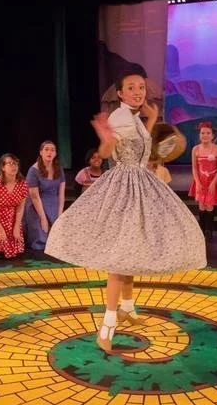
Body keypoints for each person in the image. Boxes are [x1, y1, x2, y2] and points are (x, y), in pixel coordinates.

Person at [45, 69, 206, 351]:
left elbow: (144, 150)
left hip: (140, 183)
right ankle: (106, 327)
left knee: (132, 248)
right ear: (120, 93)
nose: (138, 92)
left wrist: (152, 118)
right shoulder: (120, 117)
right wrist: (106, 138)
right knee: (120, 257)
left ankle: (127, 307)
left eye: (141, 87)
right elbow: (108, 152)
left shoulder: (133, 118)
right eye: (131, 88)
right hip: (125, 186)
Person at [188, 121, 217, 241]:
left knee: (209, 205)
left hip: (213, 180)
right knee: (201, 204)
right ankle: (201, 231)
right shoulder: (195, 149)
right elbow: (194, 168)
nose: (205, 135)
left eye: (208, 133)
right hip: (200, 180)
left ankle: (209, 231)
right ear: (199, 135)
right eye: (203, 133)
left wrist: (213, 183)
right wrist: (197, 182)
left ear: (212, 135)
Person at [24, 140, 66, 251]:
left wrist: (60, 215)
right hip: (37, 206)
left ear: (55, 153)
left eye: (52, 150)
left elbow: (61, 194)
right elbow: (34, 197)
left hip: (54, 204)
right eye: (46, 149)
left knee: (59, 239)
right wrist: (43, 218)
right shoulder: (33, 171)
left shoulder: (59, 169)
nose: (49, 152)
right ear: (41, 152)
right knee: (41, 239)